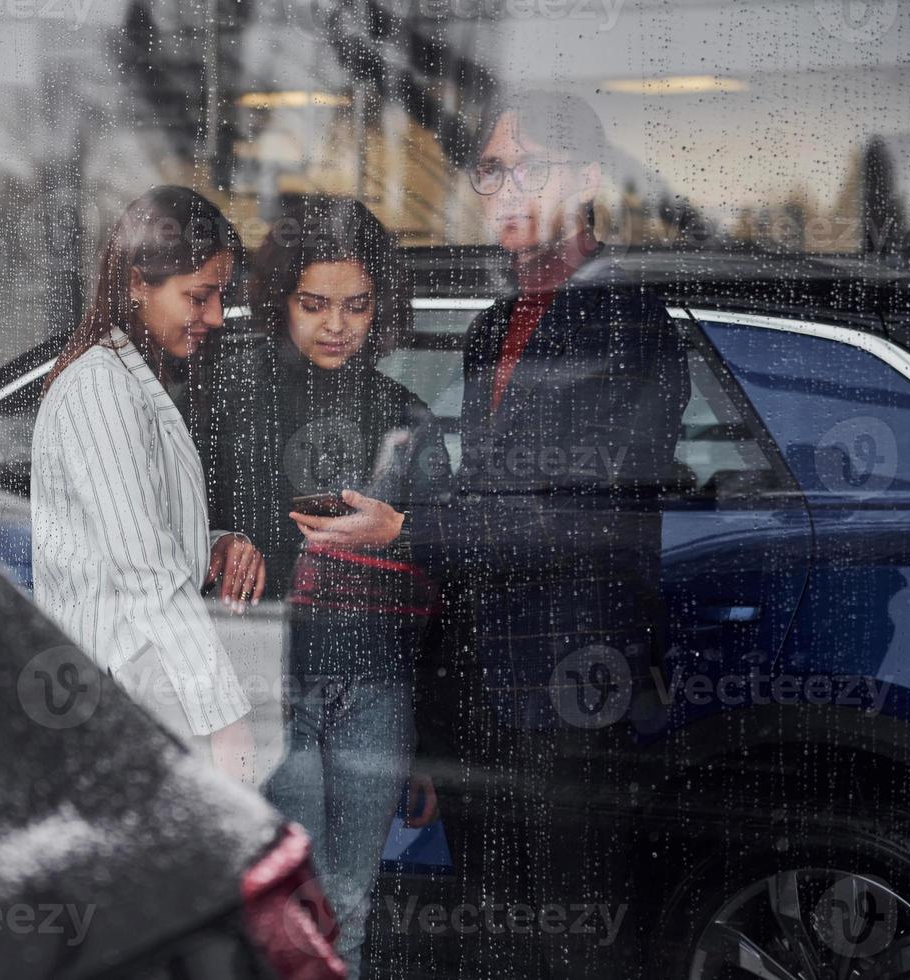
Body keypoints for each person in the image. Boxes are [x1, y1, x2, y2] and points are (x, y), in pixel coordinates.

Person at [307, 94, 690, 977]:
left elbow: (581, 516)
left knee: (574, 940)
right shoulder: (491, 329)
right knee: (493, 939)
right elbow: (488, 512)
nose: (504, 189)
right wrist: (437, 729)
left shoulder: (627, 322)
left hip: (572, 697)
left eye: (531, 168)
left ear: (588, 182)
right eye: (490, 170)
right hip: (484, 701)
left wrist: (403, 527)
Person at [192, 198, 447, 978]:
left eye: (357, 305)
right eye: (314, 303)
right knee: (290, 913)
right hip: (271, 684)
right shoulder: (229, 396)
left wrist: (429, 744)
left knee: (352, 909)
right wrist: (216, 541)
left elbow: (444, 580)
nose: (337, 324)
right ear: (281, 301)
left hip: (377, 689)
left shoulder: (405, 416)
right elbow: (169, 526)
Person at [31, 185, 265, 773]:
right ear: (138, 283)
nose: (214, 315)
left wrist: (209, 547)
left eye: (218, 296)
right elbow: (144, 574)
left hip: (140, 691)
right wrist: (227, 719)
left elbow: (132, 541)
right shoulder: (101, 388)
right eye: (199, 296)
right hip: (128, 698)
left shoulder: (129, 379)